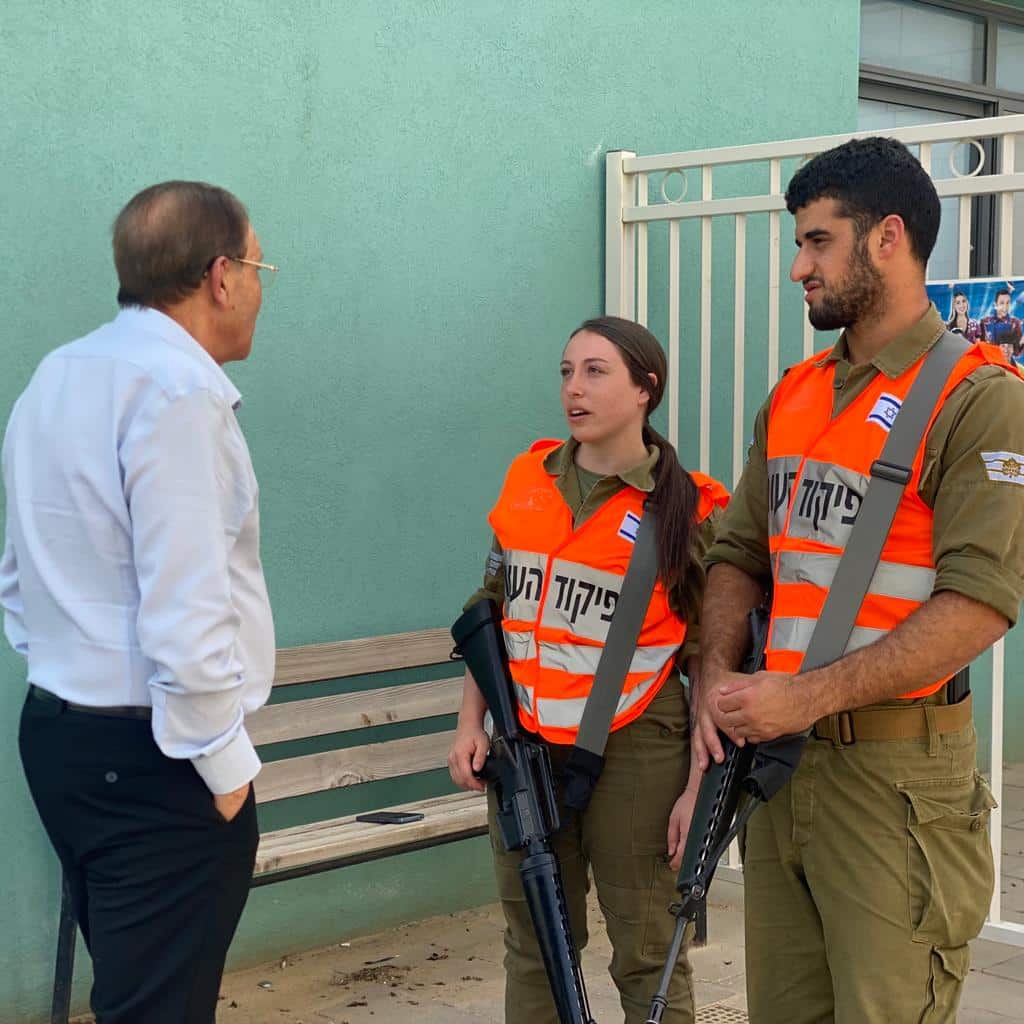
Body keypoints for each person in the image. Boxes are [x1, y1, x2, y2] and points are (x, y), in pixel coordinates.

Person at [693, 136, 1024, 1023]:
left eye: (817, 241)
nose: (798, 266)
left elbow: (980, 607)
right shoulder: (795, 393)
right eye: (798, 244)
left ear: (887, 239)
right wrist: (715, 676)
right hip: (781, 769)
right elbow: (738, 554)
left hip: (898, 778)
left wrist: (804, 699)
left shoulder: (978, 396)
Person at [1, 181, 277, 1024]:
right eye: (261, 266)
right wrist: (224, 768)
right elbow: (186, 610)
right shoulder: (177, 393)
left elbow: (18, 578)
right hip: (161, 757)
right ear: (221, 275)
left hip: (62, 735)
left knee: (132, 994)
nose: (263, 287)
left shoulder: (59, 372)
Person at [448, 316, 729, 1024]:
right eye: (566, 371)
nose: (574, 388)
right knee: (536, 942)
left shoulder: (688, 508)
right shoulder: (529, 478)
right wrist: (470, 724)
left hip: (637, 745)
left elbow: (709, 657)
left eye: (596, 371)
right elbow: (493, 611)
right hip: (527, 744)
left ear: (645, 390)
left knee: (646, 948)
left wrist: (698, 786)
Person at [980, 286, 1023, 360]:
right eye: (1002, 303)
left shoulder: (1015, 323)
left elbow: (1017, 352)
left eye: (1008, 303)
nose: (1005, 307)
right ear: (995, 305)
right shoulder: (985, 322)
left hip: (1006, 364)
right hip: (989, 364)